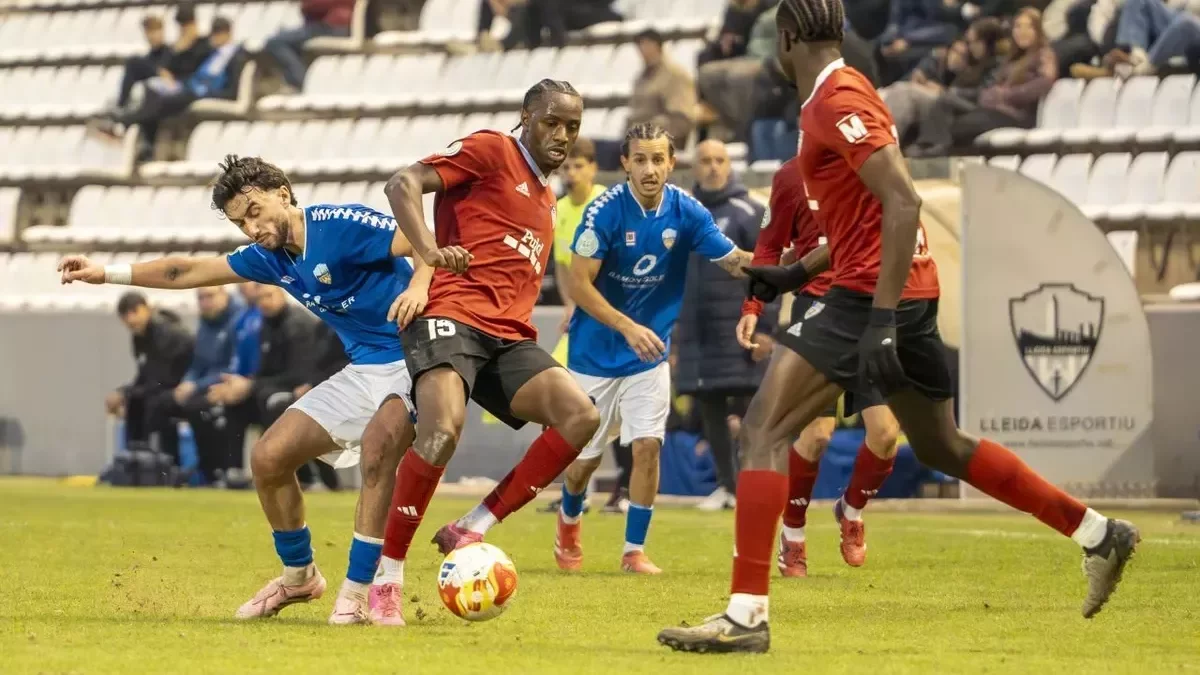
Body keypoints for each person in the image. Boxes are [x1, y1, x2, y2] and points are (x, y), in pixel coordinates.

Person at [657, 0, 1139, 653]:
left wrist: (881, 318)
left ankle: (745, 615)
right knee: (941, 445)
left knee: (764, 429)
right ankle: (1098, 534)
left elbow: (904, 200)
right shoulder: (842, 93)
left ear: (789, 36)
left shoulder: (836, 98)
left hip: (870, 295)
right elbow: (866, 214)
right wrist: (796, 272)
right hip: (897, 287)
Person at [57, 154, 433, 626]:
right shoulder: (269, 258)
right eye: (240, 222)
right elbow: (183, 271)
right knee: (269, 458)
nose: (251, 228)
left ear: (283, 194)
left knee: (378, 458)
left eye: (254, 212)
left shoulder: (338, 224)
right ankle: (299, 576)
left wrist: (420, 285)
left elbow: (422, 239)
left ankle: (357, 593)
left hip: (417, 358)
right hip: (363, 371)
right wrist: (105, 273)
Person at [377, 80, 601, 620]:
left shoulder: (547, 197)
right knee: (442, 431)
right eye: (552, 122)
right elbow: (402, 183)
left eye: (572, 127)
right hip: (451, 316)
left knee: (581, 417)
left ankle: (472, 526)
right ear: (526, 116)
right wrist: (429, 252)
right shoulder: (492, 149)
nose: (562, 135)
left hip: (508, 337)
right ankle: (387, 577)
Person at [554, 126, 754, 574]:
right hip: (594, 355)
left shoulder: (686, 210)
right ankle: (568, 520)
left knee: (647, 446)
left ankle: (633, 551)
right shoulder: (604, 212)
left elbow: (734, 261)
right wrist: (627, 327)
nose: (649, 169)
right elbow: (579, 285)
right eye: (640, 159)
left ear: (671, 163)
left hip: (649, 355)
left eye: (658, 159)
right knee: (584, 461)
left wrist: (789, 263)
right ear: (625, 163)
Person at [737, 156, 900, 577]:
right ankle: (793, 534)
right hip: (817, 309)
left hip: (866, 307)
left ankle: (851, 509)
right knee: (816, 434)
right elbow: (770, 246)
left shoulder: (873, 165)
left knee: (886, 434)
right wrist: (753, 306)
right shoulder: (791, 176)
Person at [675, 139, 773, 512]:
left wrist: (767, 327)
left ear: (730, 166)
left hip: (741, 329)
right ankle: (727, 486)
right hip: (697, 332)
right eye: (706, 160)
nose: (713, 167)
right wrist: (675, 336)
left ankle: (755, 483)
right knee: (710, 409)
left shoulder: (750, 211)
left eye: (720, 160)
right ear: (694, 167)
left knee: (753, 410)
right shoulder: (681, 213)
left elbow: (769, 273)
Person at [106, 291, 194, 463]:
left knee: (153, 403)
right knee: (135, 401)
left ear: (147, 308)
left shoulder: (165, 334)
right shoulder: (140, 336)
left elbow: (161, 378)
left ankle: (162, 463)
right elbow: (146, 374)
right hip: (165, 386)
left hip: (184, 387)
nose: (131, 319)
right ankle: (135, 460)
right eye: (125, 315)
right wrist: (123, 393)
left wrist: (125, 393)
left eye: (135, 311)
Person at [264, 0, 354, 93]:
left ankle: (301, 84)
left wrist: (306, 6)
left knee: (276, 43)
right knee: (283, 36)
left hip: (330, 27)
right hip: (337, 25)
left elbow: (313, 6)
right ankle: (300, 82)